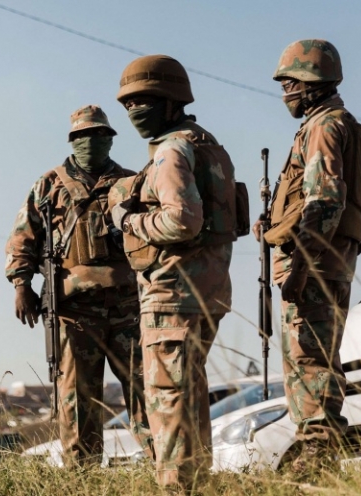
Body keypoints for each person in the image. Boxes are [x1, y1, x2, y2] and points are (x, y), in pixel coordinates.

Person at [111, 55, 238, 490]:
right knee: (190, 398)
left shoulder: (171, 150)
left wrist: (129, 221)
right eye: (127, 104)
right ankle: (197, 485)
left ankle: (177, 487)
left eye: (142, 101)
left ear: (170, 100)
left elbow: (183, 220)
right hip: (209, 290)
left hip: (172, 294)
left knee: (167, 401)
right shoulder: (210, 146)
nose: (133, 111)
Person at [5, 105, 152, 466]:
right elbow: (23, 238)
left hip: (128, 306)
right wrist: (22, 285)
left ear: (110, 139)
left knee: (145, 390)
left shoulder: (130, 182)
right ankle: (82, 476)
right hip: (74, 310)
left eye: (99, 134)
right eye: (84, 135)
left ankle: (164, 469)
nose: (91, 141)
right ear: (72, 140)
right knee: (76, 398)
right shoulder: (48, 185)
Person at [255, 39, 361, 473]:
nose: (285, 92)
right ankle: (319, 453)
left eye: (290, 83)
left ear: (311, 82)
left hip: (315, 264)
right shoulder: (342, 124)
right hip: (329, 261)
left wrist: (300, 267)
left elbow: (324, 201)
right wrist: (275, 225)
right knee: (317, 358)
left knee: (310, 360)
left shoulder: (324, 126)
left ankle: (317, 457)